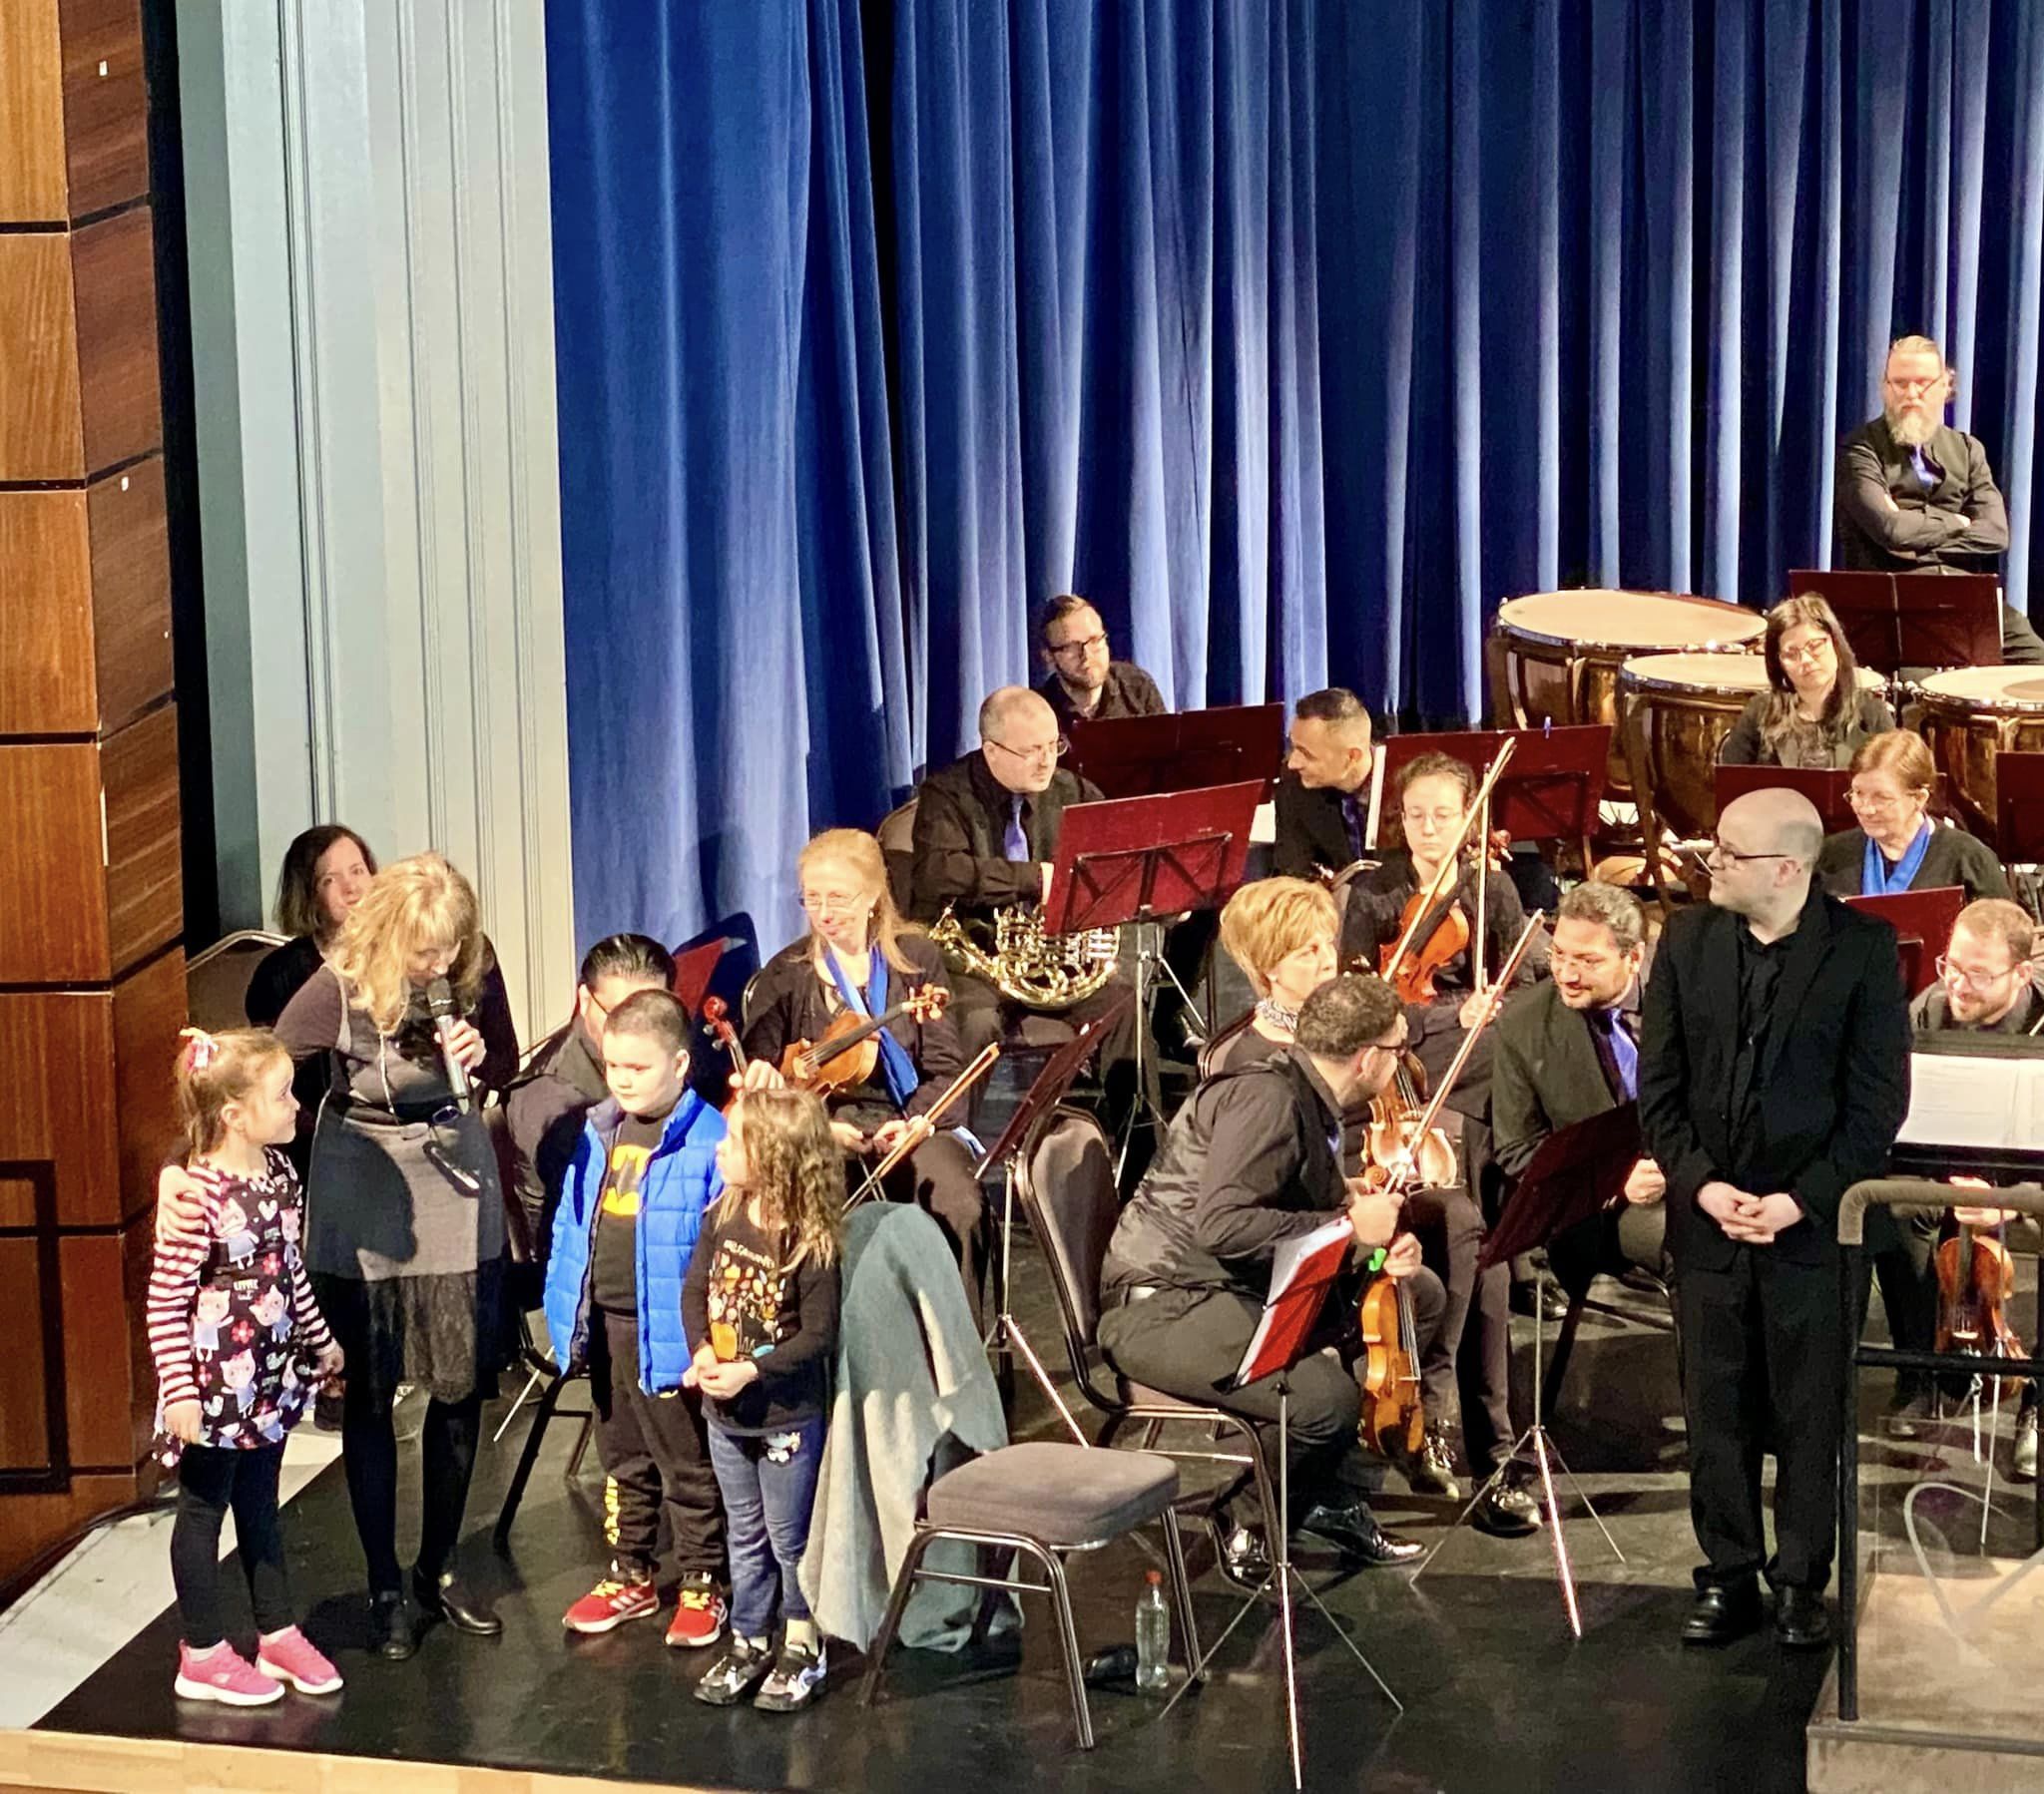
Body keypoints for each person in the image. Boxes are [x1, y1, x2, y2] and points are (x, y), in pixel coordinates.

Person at [166, 853, 521, 1658]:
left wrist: (481, 1057)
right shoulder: (338, 983)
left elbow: (506, 1065)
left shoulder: (470, 964)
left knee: (459, 1384)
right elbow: (248, 1072)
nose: (438, 963)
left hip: (453, 1171)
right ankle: (384, 1584)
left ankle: (437, 1568)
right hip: (364, 1176)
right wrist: (179, 1169)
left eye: (450, 947)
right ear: (390, 935)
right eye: (424, 951)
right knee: (371, 1386)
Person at [1639, 788, 1910, 1650]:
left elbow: (1876, 1110)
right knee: (1714, 1411)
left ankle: (1800, 1581)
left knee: (1808, 1413)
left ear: (1788, 869)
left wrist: (1802, 1200)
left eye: (1730, 852)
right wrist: (1700, 1185)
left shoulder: (1863, 951)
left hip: (1813, 1229)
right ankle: (1727, 1574)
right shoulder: (1687, 940)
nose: (1710, 863)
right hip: (1709, 1223)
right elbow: (1659, 1090)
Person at [1097, 974, 1447, 1573]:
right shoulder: (1269, 1100)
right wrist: (1348, 1228)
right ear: (1368, 1059)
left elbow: (1274, 1202)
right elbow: (1224, 1227)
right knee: (1325, 1403)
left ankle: (1333, 1496)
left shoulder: (1302, 1091)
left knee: (1418, 1295)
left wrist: (1354, 1217)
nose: (1401, 1063)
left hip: (1228, 1284)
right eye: (1398, 1050)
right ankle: (1247, 1518)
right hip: (1165, 1303)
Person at [148, 1028, 344, 1707]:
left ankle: (276, 1629)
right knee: (203, 1510)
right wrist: (179, 1390)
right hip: (214, 1388)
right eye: (283, 1095)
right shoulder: (196, 1197)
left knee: (261, 1501)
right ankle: (201, 1651)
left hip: (269, 1377)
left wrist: (320, 1341)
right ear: (234, 1114)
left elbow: (290, 1273)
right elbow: (164, 1301)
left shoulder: (279, 1174)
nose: (296, 1105)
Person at [741, 829, 988, 1324]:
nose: (824, 913)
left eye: (838, 898)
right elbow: (761, 1080)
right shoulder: (787, 973)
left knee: (960, 1203)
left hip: (911, 1120)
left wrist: (916, 1122)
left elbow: (945, 1069)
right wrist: (816, 1126)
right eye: (812, 899)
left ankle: (958, 1343)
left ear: (873, 895)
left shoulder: (916, 960)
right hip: (826, 1131)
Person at [545, 989, 730, 1648]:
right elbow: (571, 1226)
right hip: (607, 1324)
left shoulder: (712, 1139)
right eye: (613, 1066)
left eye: (638, 1068)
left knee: (686, 1463)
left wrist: (710, 1340)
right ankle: (631, 1571)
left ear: (679, 1064)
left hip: (672, 1336)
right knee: (622, 1457)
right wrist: (567, 1315)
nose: (621, 1080)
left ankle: (704, 1579)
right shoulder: (599, 1131)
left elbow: (723, 1251)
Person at [685, 1089, 843, 1713]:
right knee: (744, 1533)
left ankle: (803, 1641)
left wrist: (750, 1371)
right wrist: (702, 1350)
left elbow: (817, 1336)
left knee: (789, 1537)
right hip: (726, 1418)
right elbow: (695, 1289)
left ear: (773, 1156)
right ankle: (750, 1637)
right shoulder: (723, 1214)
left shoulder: (810, 1244)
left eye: (733, 1141)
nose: (719, 1151)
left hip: (785, 1420)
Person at [907, 685, 1133, 1079]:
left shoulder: (1076, 793)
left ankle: (1136, 1118)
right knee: (976, 1023)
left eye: (1053, 745)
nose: (1047, 761)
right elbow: (939, 872)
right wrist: (1035, 878)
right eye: (1031, 750)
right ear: (991, 750)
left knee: (1123, 1005)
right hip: (976, 964)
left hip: (1055, 964)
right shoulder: (946, 795)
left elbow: (1113, 868)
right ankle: (955, 1119)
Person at [1907, 897, 2044, 1477]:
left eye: (1979, 975)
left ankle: (2038, 1404)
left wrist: (2008, 1208)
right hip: (1947, 1173)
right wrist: (1944, 1185)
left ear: (2022, 973)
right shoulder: (1928, 1011)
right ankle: (1922, 1370)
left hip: (2029, 1187)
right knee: (1892, 1213)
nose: (1958, 985)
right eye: (1952, 966)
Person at [1491, 884, 1673, 1302]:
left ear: (1634, 958)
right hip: (1595, 1210)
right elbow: (1517, 1150)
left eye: (1588, 961)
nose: (1567, 974)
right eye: (1559, 954)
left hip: (1694, 1178)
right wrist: (1616, 1180)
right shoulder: (1523, 1024)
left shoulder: (1680, 995)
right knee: (1697, 1248)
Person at [1833, 333, 2044, 666]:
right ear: (1885, 388)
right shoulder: (1860, 449)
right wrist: (1958, 521)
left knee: (2036, 660)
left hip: (1965, 597)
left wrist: (1912, 534)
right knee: (1922, 682)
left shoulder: (1968, 449)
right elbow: (1890, 530)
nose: (1911, 394)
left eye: (1922, 383)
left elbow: (1995, 534)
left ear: (1945, 386)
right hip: (1895, 600)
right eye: (1900, 383)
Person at [505, 933, 678, 1264]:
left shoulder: (662, 1060)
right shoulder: (552, 1096)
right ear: (584, 1001)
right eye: (619, 1014)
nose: (638, 1033)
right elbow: (580, 1228)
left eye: (654, 1015)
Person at [1815, 729, 2010, 905]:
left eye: (1881, 797)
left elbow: (2001, 930)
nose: (1866, 809)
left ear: (1919, 798)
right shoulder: (1832, 855)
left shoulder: (1969, 859)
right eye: (1858, 793)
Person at [1716, 595, 1895, 769]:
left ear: (1835, 644)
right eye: (1791, 654)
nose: (1806, 660)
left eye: (1815, 646)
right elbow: (1731, 783)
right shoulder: (1759, 714)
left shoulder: (1872, 715)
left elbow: (1895, 781)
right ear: (1778, 663)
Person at [245, 825, 378, 1028]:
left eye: (357, 871)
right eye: (330, 880)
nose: (351, 887)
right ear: (308, 895)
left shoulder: (406, 950)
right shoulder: (279, 974)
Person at [1209, 876, 1340, 1073]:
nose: (1329, 961)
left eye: (1329, 943)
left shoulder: (1350, 1023)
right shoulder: (1256, 1066)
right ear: (1269, 967)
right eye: (1308, 952)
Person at [1272, 688, 1374, 879]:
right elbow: (1293, 875)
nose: (1293, 763)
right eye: (1294, 747)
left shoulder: (1409, 788)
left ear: (1352, 757)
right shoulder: (1294, 788)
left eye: (1306, 754)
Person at [1033, 593, 1167, 728]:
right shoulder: (1037, 713)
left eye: (1094, 640)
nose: (1086, 655)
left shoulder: (1137, 688)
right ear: (1048, 656)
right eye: (1071, 647)